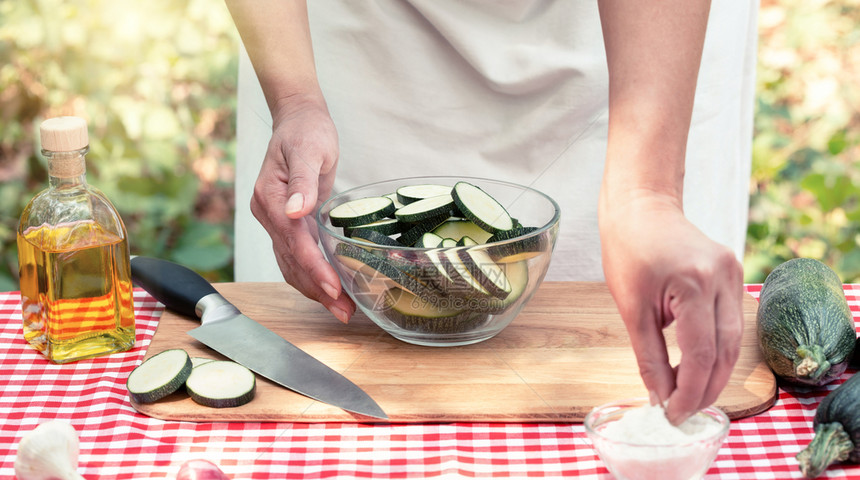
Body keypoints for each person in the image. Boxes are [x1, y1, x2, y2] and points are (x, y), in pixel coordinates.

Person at [225, 0, 757, 424]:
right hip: (349, 40)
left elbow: (646, 197)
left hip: (638, 41)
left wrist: (647, 194)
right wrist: (296, 100)